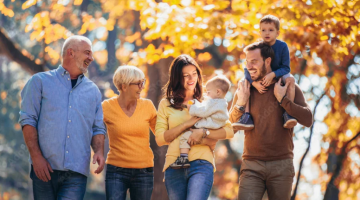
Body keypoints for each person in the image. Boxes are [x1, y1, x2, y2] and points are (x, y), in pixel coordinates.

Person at [19, 35, 106, 200]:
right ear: (71, 53)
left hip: (76, 173)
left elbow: (97, 127)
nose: (91, 58)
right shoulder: (39, 82)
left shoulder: (93, 91)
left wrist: (99, 151)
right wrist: (37, 158)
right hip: (44, 169)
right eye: (87, 53)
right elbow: (28, 120)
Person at [229, 41, 313, 200]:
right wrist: (240, 103)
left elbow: (308, 119)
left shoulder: (287, 86)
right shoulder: (245, 89)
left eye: (254, 61)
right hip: (251, 165)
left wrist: (283, 100)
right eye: (247, 61)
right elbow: (229, 128)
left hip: (282, 165)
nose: (249, 66)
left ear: (267, 61)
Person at [155, 54, 234, 200]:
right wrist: (187, 124)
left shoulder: (209, 99)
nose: (191, 79)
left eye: (194, 74)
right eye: (186, 75)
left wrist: (204, 133)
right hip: (174, 165)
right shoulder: (166, 104)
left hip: (202, 164)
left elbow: (229, 131)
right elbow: (160, 139)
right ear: (177, 78)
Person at [102, 65, 157, 200]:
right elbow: (93, 130)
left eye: (142, 83)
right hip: (116, 170)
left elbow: (162, 134)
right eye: (138, 84)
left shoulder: (148, 106)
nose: (142, 87)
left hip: (143, 171)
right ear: (124, 86)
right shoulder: (106, 107)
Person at [234, 14, 298, 130]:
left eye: (270, 30)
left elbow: (286, 68)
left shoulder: (282, 46)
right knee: (244, 83)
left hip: (278, 74)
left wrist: (273, 74)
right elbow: (247, 68)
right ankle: (247, 116)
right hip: (259, 75)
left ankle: (288, 113)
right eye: (263, 30)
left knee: (291, 79)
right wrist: (254, 83)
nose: (267, 33)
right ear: (260, 32)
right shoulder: (258, 46)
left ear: (277, 33)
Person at [170, 76, 231, 169]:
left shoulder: (213, 102)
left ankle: (183, 159)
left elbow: (202, 111)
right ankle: (209, 144)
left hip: (209, 125)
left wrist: (191, 107)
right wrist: (195, 103)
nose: (206, 94)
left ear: (218, 92)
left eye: (208, 92)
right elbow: (204, 107)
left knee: (184, 137)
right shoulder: (221, 103)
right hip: (214, 126)